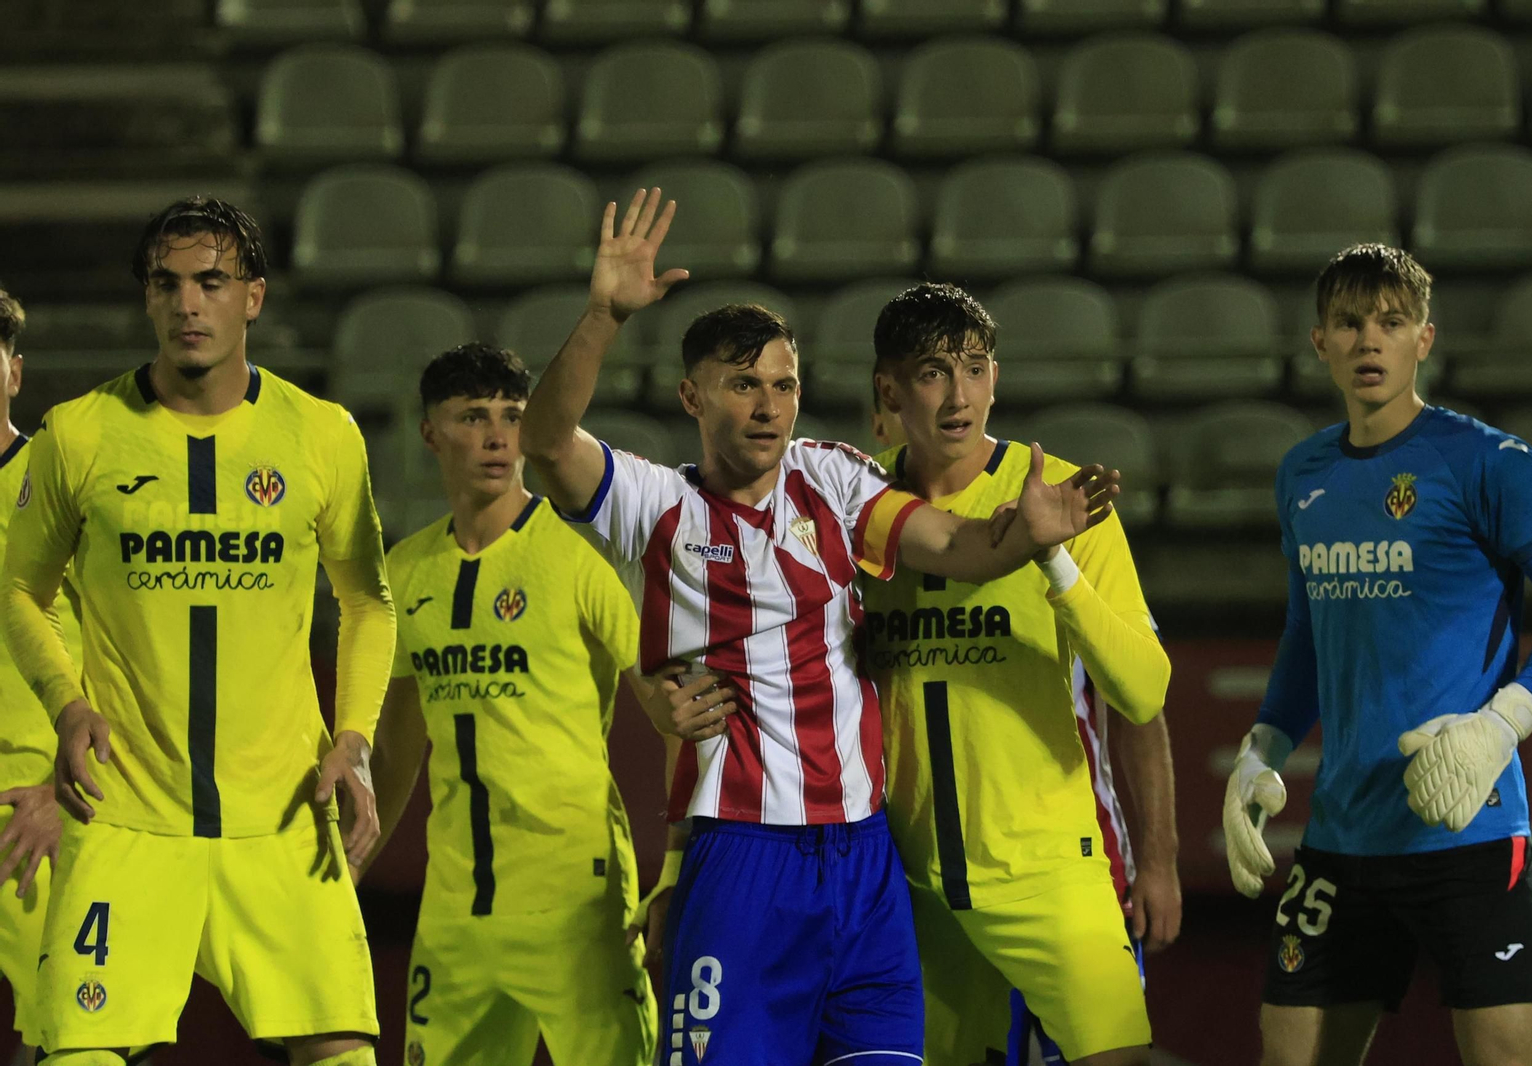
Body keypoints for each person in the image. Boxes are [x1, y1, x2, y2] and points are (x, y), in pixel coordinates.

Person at [519, 188, 1118, 1065]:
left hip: (867, 864)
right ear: (692, 395)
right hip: (741, 861)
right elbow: (545, 441)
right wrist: (605, 315)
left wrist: (1024, 533)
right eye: (743, 385)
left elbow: (951, 542)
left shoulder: (833, 478)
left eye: (784, 384)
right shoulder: (654, 505)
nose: (768, 405)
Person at [0, 198, 395, 1066]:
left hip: (284, 818)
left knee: (344, 1053)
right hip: (126, 820)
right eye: (167, 284)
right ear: (147, 298)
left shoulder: (322, 436)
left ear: (251, 297)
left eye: (211, 282)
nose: (188, 304)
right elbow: (19, 591)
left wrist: (357, 737)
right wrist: (66, 707)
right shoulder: (79, 435)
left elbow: (368, 602)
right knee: (78, 1056)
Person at [1222, 244, 1532, 1066]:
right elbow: (1306, 636)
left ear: (1424, 339)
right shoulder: (1302, 474)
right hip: (1341, 838)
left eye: (1391, 324)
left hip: (1467, 833)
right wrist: (1263, 750)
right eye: (1350, 323)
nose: (1370, 341)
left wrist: (1505, 723)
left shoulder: (1486, 463)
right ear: (1318, 340)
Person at [863, 283, 1173, 1066]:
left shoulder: (1068, 502)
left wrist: (1057, 564)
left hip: (1048, 868)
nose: (959, 395)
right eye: (934, 373)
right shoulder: (853, 504)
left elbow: (1142, 692)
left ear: (996, 378)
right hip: (910, 882)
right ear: (889, 390)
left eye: (974, 369)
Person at [364, 342, 656, 1066]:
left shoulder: (581, 555)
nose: (498, 436)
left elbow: (677, 710)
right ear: (430, 432)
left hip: (578, 903)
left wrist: (681, 865)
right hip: (456, 911)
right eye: (473, 417)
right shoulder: (404, 572)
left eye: (512, 416)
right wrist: (349, 869)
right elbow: (396, 751)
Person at [0, 285, 81, 1066]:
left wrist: (64, 795)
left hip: (30, 804)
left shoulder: (62, 492)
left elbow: (129, 656)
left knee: (65, 1033)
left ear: (15, 374)